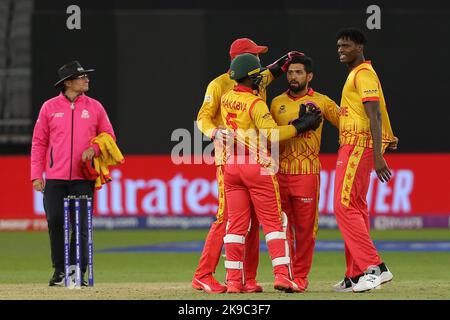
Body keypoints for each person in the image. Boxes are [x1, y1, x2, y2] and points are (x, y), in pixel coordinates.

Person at [193, 38, 299, 293]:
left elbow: (266, 75)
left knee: (247, 222)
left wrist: (280, 65)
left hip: (238, 163)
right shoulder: (218, 85)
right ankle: (203, 274)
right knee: (226, 218)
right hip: (231, 158)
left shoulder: (251, 81)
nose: (262, 64)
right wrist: (214, 132)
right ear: (242, 61)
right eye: (256, 57)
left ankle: (246, 279)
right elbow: (202, 117)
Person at [220, 53, 322, 293]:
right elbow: (271, 135)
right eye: (259, 75)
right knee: (275, 224)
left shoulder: (226, 97)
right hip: (257, 165)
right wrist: (300, 125)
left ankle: (234, 281)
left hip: (232, 166)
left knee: (236, 226)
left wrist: (277, 66)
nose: (262, 79)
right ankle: (282, 276)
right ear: (252, 77)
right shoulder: (256, 104)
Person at [31, 60, 116, 286]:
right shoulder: (49, 107)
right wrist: (36, 174)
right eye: (82, 77)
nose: (87, 79)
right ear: (68, 83)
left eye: (86, 76)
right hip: (55, 177)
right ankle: (59, 271)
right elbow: (39, 142)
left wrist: (95, 148)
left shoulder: (95, 107)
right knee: (56, 221)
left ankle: (77, 270)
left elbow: (109, 136)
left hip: (83, 177)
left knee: (81, 225)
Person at [333, 28, 398, 293]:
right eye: (338, 46)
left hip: (358, 146)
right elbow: (377, 110)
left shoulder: (363, 74)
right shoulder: (355, 75)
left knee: (344, 206)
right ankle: (355, 274)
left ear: (360, 47)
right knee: (356, 208)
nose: (341, 50)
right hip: (355, 145)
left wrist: (378, 155)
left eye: (346, 45)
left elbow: (375, 114)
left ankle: (376, 268)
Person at [270, 54, 339, 292]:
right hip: (279, 173)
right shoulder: (276, 102)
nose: (293, 76)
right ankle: (285, 275)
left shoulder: (322, 102)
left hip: (307, 173)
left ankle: (300, 278)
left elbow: (346, 124)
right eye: (290, 72)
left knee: (306, 231)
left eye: (298, 72)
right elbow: (270, 137)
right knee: (281, 228)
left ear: (309, 76)